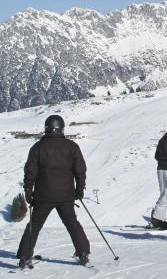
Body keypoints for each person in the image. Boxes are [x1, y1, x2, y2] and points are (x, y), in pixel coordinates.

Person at [16, 115, 90, 269]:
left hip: (43, 196)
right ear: (62, 128)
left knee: (34, 225)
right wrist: (79, 189)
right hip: (66, 195)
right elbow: (80, 170)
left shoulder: (38, 148)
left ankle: (24, 256)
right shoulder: (72, 147)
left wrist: (28, 191)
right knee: (72, 224)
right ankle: (83, 253)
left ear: (46, 128)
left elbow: (30, 172)